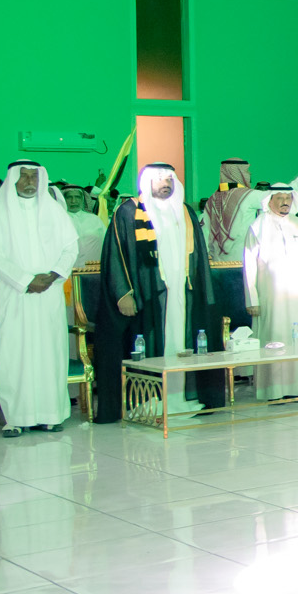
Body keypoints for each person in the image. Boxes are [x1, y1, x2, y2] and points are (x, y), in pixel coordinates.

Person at [98, 163, 225, 420]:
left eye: (169, 179)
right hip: (148, 296)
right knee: (151, 346)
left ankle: (181, 399)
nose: (165, 183)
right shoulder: (128, 211)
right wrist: (124, 293)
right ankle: (148, 402)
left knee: (181, 344)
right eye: (159, 179)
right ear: (147, 182)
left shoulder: (185, 212)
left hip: (182, 295)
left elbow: (199, 257)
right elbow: (115, 255)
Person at [0, 161, 78, 437]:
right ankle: (16, 418)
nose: (30, 182)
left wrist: (52, 275)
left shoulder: (54, 211)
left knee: (50, 352)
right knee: (13, 353)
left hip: (49, 294)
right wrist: (25, 280)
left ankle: (51, 414)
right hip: (14, 295)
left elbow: (71, 248)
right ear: (13, 180)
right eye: (24, 177)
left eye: (34, 177)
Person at [242, 184, 298, 401]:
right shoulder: (258, 226)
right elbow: (249, 266)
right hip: (269, 298)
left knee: (296, 340)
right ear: (270, 200)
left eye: (288, 198)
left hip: (297, 297)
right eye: (280, 198)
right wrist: (252, 299)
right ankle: (272, 391)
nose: (285, 202)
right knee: (272, 340)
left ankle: (296, 389)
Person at [60, 182, 106, 272]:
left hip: (93, 271)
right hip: (66, 271)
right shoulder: (58, 219)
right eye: (69, 197)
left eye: (77, 197)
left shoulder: (95, 219)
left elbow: (107, 243)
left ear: (83, 199)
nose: (73, 201)